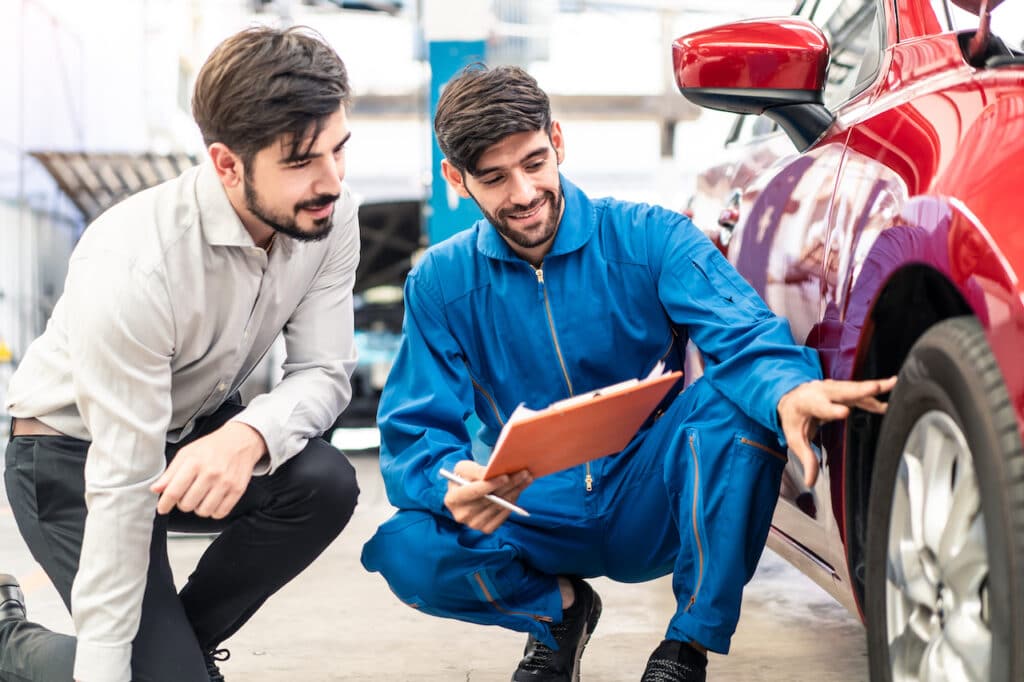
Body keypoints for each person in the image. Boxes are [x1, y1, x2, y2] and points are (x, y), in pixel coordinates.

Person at [360, 64, 895, 682]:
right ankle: (558, 613)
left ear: (557, 140)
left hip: (654, 495)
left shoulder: (651, 236)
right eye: (494, 178)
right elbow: (415, 430)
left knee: (732, 402)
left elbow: (741, 330)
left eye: (535, 163)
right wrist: (452, 481)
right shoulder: (439, 284)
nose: (525, 192)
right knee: (405, 549)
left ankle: (685, 647)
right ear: (457, 179)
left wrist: (788, 389)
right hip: (531, 505)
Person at [0, 26, 360, 682]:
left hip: (183, 435)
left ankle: (172, 659)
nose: (331, 181)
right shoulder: (134, 264)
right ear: (226, 164)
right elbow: (119, 484)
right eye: (302, 161)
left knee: (324, 484)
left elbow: (326, 372)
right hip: (71, 457)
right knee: (124, 667)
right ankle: (8, 642)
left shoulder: (328, 217)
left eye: (340, 149)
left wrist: (250, 434)